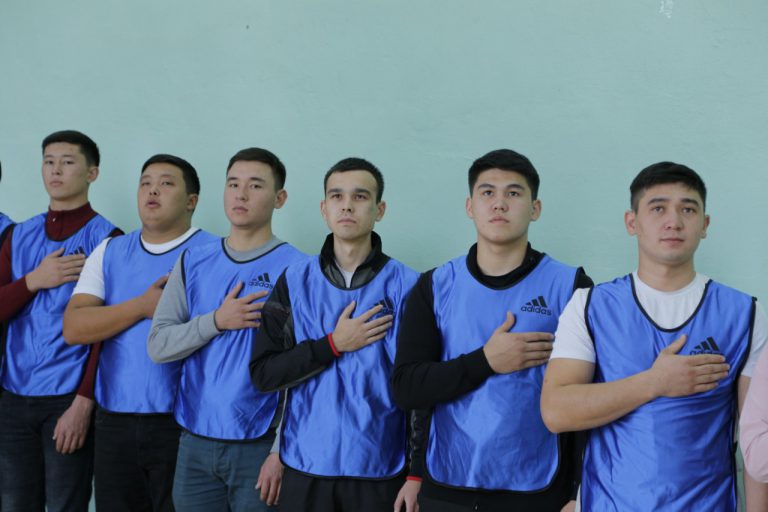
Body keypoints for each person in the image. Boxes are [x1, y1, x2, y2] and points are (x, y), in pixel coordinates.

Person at [540, 162, 768, 511]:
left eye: (688, 209)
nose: (673, 221)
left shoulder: (745, 313)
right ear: (632, 222)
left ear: (705, 225)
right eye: (658, 208)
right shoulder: (590, 305)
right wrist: (654, 382)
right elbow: (556, 411)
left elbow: (757, 441)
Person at [391, 149, 589, 511]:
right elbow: (407, 388)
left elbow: (588, 399)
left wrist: (579, 490)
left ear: (535, 208)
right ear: (470, 207)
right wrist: (486, 361)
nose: (499, 203)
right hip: (449, 485)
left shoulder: (570, 286)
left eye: (513, 193)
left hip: (540, 490)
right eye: (487, 192)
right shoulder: (435, 285)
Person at [250, 157, 419, 512]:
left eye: (360, 196)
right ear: (324, 209)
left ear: (379, 210)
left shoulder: (408, 285)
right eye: (337, 196)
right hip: (305, 464)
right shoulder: (294, 281)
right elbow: (265, 374)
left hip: (380, 468)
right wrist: (333, 344)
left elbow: (421, 390)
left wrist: (417, 473)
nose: (347, 205)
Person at [148, 147, 304, 511]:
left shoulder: (298, 269)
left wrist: (280, 450)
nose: (241, 194)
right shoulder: (193, 260)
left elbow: (303, 372)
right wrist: (216, 321)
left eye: (255, 185)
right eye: (233, 184)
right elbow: (158, 345)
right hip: (194, 440)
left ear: (279, 198)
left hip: (259, 443)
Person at [62, 154, 217, 511]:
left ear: (191, 201)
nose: (152, 190)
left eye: (166, 183)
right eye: (145, 183)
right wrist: (142, 307)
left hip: (186, 423)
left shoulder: (213, 253)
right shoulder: (110, 250)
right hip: (114, 419)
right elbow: (74, 327)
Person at [0, 130, 119, 511]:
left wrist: (84, 401)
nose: (56, 170)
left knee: (66, 504)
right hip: (12, 394)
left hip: (68, 397)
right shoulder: (18, 235)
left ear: (92, 173)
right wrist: (33, 281)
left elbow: (109, 332)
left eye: (68, 162)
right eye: (49, 161)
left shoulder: (109, 240)